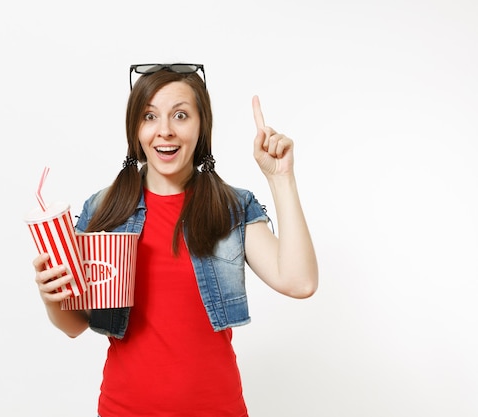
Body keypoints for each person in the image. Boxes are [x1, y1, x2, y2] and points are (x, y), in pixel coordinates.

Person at [32, 63, 318, 416]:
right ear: (135, 129)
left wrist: (281, 178)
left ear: (202, 127)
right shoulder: (104, 209)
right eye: (150, 117)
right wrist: (52, 297)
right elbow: (75, 325)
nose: (164, 131)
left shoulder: (230, 207)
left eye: (180, 115)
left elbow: (299, 281)